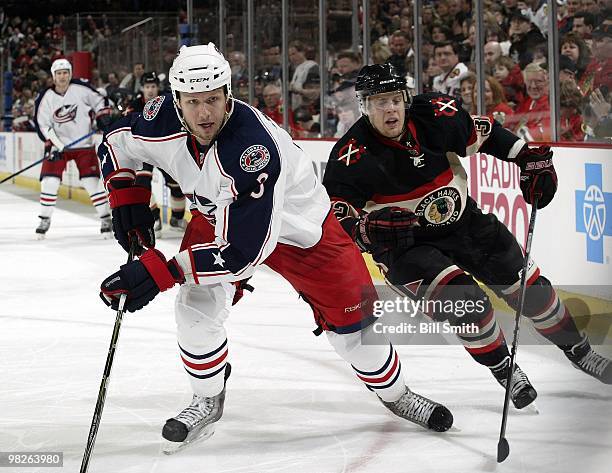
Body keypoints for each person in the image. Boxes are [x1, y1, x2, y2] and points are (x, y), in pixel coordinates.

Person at [97, 44, 454, 453]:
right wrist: (127, 196)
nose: (205, 113)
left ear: (228, 93)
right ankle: (207, 398)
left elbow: (242, 253)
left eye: (213, 99)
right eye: (193, 102)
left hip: (301, 231)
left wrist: (160, 271)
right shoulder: (159, 119)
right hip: (218, 217)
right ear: (176, 100)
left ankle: (397, 394)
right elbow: (115, 142)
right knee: (196, 308)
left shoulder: (253, 149)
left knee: (358, 330)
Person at [323, 64, 612, 413]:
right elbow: (336, 217)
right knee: (469, 305)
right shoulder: (349, 155)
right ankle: (505, 370)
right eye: (380, 102)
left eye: (396, 99)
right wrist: (365, 230)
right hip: (405, 248)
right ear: (364, 106)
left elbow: (488, 135)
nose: (391, 109)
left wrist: (527, 157)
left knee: (531, 289)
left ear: (406, 98)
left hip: (464, 222)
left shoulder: (436, 115)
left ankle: (581, 352)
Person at [33, 58, 113, 238]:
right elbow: (43, 125)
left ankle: (105, 217)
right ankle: (44, 219)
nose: (62, 77)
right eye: (59, 73)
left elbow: (100, 101)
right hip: (57, 147)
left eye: (65, 73)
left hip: (83, 145)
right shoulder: (46, 97)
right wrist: (57, 144)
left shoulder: (81, 88)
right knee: (49, 182)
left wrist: (102, 116)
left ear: (70, 74)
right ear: (53, 76)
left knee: (91, 183)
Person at [127, 71, 188, 232]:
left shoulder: (167, 101)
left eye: (153, 86)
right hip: (143, 152)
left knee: (177, 186)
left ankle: (177, 219)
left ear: (158, 87)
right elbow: (126, 126)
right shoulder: (134, 104)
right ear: (142, 88)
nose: (150, 90)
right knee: (142, 184)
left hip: (165, 150)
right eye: (147, 86)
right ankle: (154, 218)